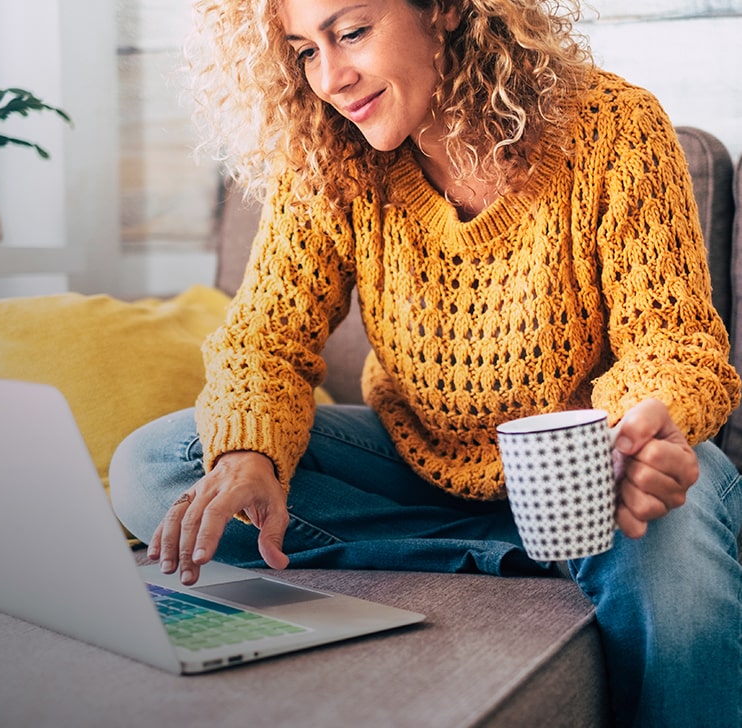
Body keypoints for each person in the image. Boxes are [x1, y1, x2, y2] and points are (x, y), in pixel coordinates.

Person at [109, 1, 742, 725]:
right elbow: (264, 340)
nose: (332, 78)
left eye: (350, 33)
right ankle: (533, 551)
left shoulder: (614, 129)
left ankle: (572, 543)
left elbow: (673, 344)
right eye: (305, 51)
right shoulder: (328, 155)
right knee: (158, 466)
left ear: (443, 10)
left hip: (592, 474)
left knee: (668, 528)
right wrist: (249, 454)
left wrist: (636, 433)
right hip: (421, 466)